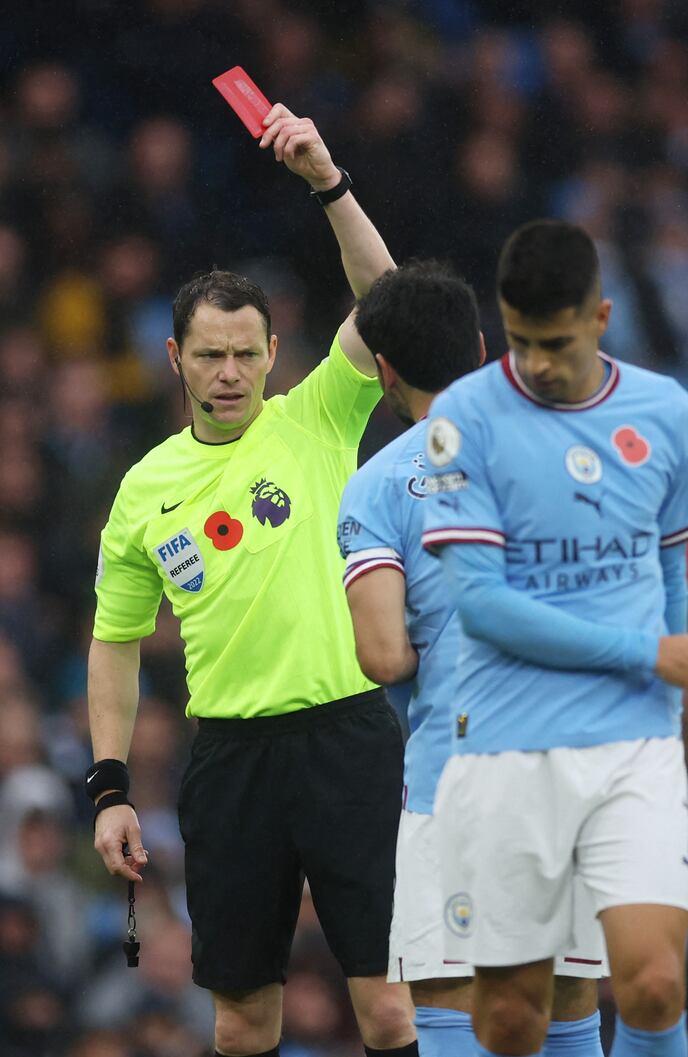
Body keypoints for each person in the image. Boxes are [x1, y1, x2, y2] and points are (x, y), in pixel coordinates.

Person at [87, 104, 416, 1057]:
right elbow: (113, 644)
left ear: (275, 354)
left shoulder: (315, 418)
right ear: (175, 357)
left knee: (390, 1007)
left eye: (245, 354)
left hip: (347, 739)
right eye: (209, 355)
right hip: (228, 759)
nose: (229, 373)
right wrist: (110, 787)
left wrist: (328, 180)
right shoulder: (143, 489)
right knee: (240, 1019)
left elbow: (388, 298)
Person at [421, 219, 688, 1057]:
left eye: (558, 341)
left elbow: (672, 568)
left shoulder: (667, 414)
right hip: (508, 746)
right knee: (510, 1018)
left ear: (602, 317)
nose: (536, 361)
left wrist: (671, 693)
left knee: (650, 984)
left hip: (629, 742)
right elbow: (483, 605)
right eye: (520, 339)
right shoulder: (463, 418)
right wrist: (649, 653)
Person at [338, 260, 612, 1057]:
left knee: (456, 1008)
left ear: (385, 371)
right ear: (482, 346)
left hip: (456, 779)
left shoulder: (380, 485)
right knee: (566, 1007)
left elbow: (384, 655)